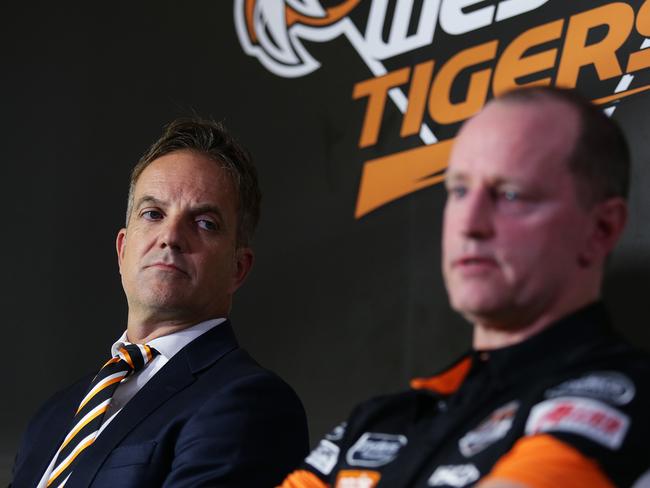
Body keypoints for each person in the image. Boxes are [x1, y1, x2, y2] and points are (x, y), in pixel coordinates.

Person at [280, 87, 650, 487]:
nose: (469, 222)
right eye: (458, 190)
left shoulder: (623, 397)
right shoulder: (379, 421)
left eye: (510, 194)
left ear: (601, 229)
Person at [11, 118, 309, 487]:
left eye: (204, 223)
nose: (170, 236)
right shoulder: (56, 413)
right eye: (153, 214)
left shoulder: (251, 402)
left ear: (238, 267)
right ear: (122, 250)